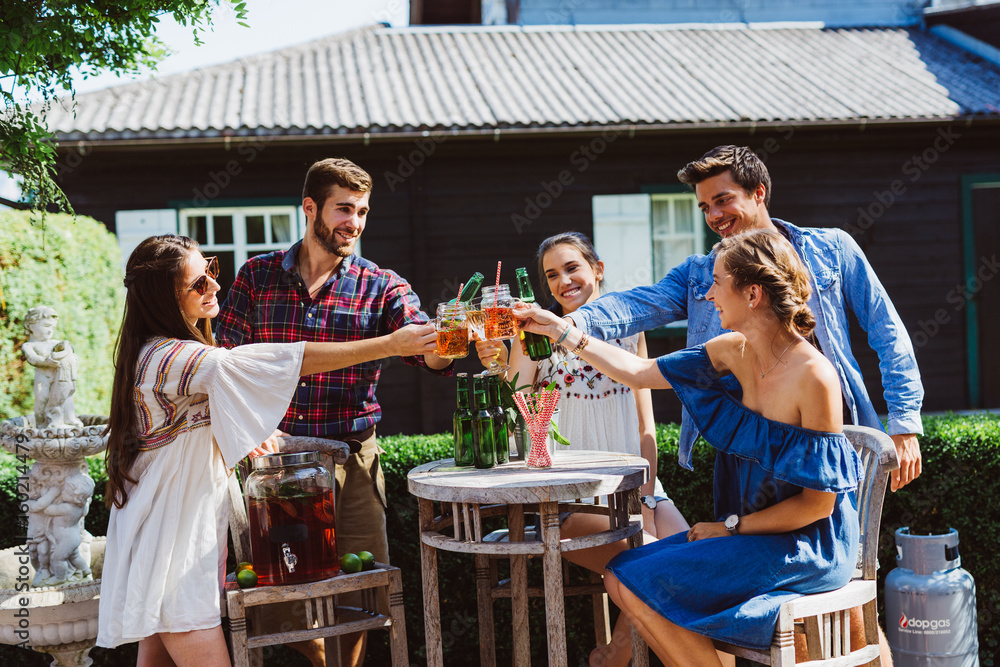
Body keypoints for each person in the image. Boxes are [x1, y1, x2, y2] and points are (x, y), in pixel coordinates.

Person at [517, 229, 862, 666]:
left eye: (717, 282)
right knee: (622, 576)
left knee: (637, 577)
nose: (708, 293)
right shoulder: (732, 350)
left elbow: (817, 507)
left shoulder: (814, 377)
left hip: (805, 545)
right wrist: (563, 332)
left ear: (752, 293)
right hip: (754, 534)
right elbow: (640, 373)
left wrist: (730, 527)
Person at [97, 235, 440, 666]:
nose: (214, 287)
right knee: (183, 628)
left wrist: (250, 429)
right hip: (172, 540)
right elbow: (282, 362)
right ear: (165, 298)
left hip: (166, 533)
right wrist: (390, 345)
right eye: (198, 283)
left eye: (212, 272)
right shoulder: (175, 357)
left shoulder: (158, 353)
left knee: (157, 653)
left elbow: (200, 421)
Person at [215, 157, 452, 667]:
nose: (355, 223)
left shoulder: (381, 285)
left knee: (361, 588)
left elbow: (426, 352)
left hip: (353, 458)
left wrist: (450, 342)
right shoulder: (257, 277)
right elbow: (225, 364)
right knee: (279, 592)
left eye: (363, 212)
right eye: (344, 208)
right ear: (310, 208)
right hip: (275, 465)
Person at [476, 232, 690, 666]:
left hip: (639, 488)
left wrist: (646, 494)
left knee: (692, 563)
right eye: (551, 275)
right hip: (572, 497)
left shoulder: (631, 333)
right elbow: (519, 397)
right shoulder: (535, 334)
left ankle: (611, 655)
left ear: (598, 269)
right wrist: (497, 361)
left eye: (572, 268)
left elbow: (646, 425)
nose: (563, 281)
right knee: (657, 567)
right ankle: (615, 657)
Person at [22, 305, 83, 429]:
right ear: (31, 325)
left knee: (67, 397)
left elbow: (69, 350)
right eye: (46, 326)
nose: (50, 330)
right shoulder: (29, 345)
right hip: (43, 378)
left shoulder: (55, 343)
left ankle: (69, 418)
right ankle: (40, 425)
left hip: (60, 377)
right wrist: (47, 362)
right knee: (42, 400)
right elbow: (33, 358)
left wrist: (70, 354)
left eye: (52, 327)